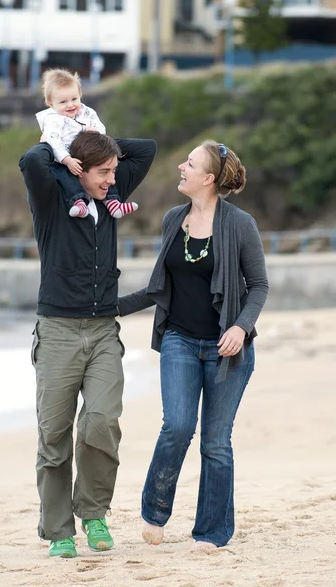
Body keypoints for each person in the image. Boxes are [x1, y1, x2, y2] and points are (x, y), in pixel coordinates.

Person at [118, 139, 268, 550]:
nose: (180, 167)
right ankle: (155, 512)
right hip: (180, 340)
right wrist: (108, 307)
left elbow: (258, 286)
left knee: (216, 441)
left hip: (227, 349)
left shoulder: (240, 225)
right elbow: (158, 287)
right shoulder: (173, 219)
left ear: (208, 179)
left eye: (190, 164)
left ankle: (212, 532)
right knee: (178, 426)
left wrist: (240, 328)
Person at [19, 131, 156, 558]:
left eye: (115, 171)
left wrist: (94, 133)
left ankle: (93, 512)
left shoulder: (108, 194)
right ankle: (60, 530)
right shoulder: (52, 200)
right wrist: (59, 144)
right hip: (58, 330)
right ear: (79, 170)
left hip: (101, 331)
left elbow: (145, 149)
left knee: (101, 422)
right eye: (104, 172)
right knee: (54, 435)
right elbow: (30, 160)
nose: (113, 180)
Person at [36, 68, 138, 219]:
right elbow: (55, 142)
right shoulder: (54, 120)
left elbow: (101, 128)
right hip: (64, 158)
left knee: (106, 173)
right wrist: (67, 160)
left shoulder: (87, 112)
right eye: (63, 102)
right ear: (50, 103)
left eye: (74, 99)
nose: (70, 105)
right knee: (65, 176)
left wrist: (96, 132)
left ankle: (113, 203)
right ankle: (78, 202)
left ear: (80, 95)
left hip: (87, 154)